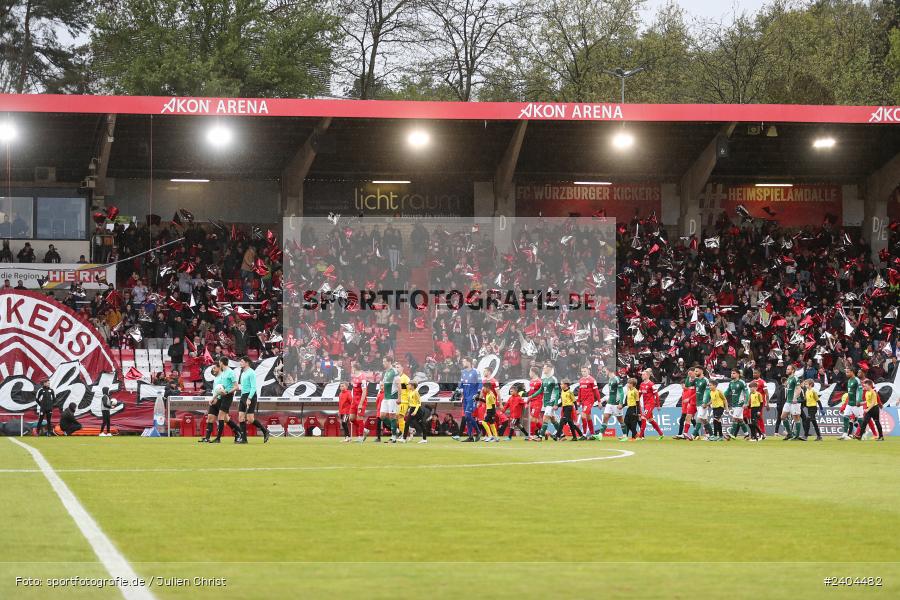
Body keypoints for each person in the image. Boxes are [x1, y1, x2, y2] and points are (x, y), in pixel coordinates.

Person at [238, 355, 270, 443]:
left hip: (250, 396)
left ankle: (265, 431)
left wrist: (249, 398)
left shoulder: (251, 372)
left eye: (242, 362)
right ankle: (244, 439)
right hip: (243, 396)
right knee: (241, 417)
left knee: (250, 419)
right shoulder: (243, 372)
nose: (240, 363)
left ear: (247, 363)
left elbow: (253, 387)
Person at [210, 356, 242, 443]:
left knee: (221, 417)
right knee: (225, 418)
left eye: (219, 362)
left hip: (228, 396)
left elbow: (236, 387)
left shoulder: (230, 373)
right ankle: (239, 432)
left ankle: (218, 438)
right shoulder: (223, 373)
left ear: (221, 363)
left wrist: (227, 392)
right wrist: (214, 398)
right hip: (222, 396)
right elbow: (220, 389)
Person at [526, 362, 560, 441]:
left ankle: (540, 437)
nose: (543, 369)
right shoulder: (544, 379)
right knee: (553, 419)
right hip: (546, 402)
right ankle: (561, 434)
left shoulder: (553, 379)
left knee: (545, 418)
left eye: (545, 368)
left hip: (551, 402)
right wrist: (531, 396)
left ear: (549, 369)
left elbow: (557, 392)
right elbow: (540, 390)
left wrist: (555, 404)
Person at [453, 357, 481, 442]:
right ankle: (470, 436)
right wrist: (457, 389)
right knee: (467, 417)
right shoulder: (463, 372)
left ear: (469, 362)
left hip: (472, 397)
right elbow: (461, 384)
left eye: (464, 361)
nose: (462, 362)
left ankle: (478, 432)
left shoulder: (476, 371)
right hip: (465, 397)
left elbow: (480, 383)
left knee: (468, 415)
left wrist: (478, 394)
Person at [595, 366, 626, 440]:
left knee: (620, 420)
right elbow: (611, 393)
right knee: (605, 417)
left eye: (605, 370)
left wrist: (621, 403)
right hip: (610, 403)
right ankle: (600, 435)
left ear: (609, 370)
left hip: (616, 403)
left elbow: (621, 392)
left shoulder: (616, 379)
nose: (605, 372)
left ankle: (625, 435)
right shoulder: (610, 379)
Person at [378, 357, 400, 443]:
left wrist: (399, 397)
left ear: (389, 362)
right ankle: (396, 430)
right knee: (382, 416)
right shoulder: (386, 372)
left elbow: (399, 385)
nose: (383, 363)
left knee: (392, 416)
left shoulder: (394, 371)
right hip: (386, 397)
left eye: (384, 361)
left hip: (392, 397)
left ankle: (394, 437)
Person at [725, 369, 750, 441]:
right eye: (731, 373)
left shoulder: (741, 382)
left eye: (733, 373)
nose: (732, 374)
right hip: (734, 404)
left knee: (734, 418)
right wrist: (721, 397)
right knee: (740, 420)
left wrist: (746, 402)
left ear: (738, 374)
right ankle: (747, 435)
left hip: (740, 403)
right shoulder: (731, 383)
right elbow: (727, 392)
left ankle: (731, 435)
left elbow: (746, 393)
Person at [638, 369, 664, 440]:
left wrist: (658, 405)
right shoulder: (642, 384)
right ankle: (661, 434)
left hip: (651, 404)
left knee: (643, 417)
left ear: (647, 375)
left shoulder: (651, 384)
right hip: (645, 404)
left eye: (643, 374)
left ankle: (640, 436)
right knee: (650, 420)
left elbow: (656, 395)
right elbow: (639, 395)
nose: (642, 376)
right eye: (642, 374)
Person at [840, 368, 864, 440]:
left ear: (852, 372)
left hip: (856, 404)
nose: (846, 373)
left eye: (848, 372)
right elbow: (850, 393)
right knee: (845, 416)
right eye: (846, 372)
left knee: (860, 419)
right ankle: (845, 434)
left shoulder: (856, 380)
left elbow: (860, 390)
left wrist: (859, 400)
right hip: (849, 403)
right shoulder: (849, 380)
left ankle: (863, 433)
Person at [577, 366, 600, 437]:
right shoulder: (581, 380)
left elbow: (596, 392)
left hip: (589, 400)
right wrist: (578, 400)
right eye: (582, 371)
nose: (583, 373)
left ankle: (584, 434)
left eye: (585, 371)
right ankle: (592, 434)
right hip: (583, 401)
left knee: (583, 416)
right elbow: (580, 391)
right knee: (588, 417)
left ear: (588, 371)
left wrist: (599, 401)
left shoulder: (592, 380)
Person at [780, 365, 800, 440]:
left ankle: (797, 436)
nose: (786, 370)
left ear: (793, 370)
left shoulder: (795, 378)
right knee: (783, 417)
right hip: (788, 401)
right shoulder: (789, 379)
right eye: (787, 369)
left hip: (793, 402)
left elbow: (799, 389)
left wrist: (795, 397)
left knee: (796, 418)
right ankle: (790, 434)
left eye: (788, 369)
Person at [396, 363, 410, 437]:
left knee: (400, 416)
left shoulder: (405, 378)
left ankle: (403, 434)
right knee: (397, 417)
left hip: (404, 401)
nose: (396, 368)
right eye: (396, 367)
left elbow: (409, 389)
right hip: (398, 400)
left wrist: (409, 401)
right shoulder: (396, 378)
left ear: (402, 368)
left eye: (398, 367)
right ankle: (409, 430)